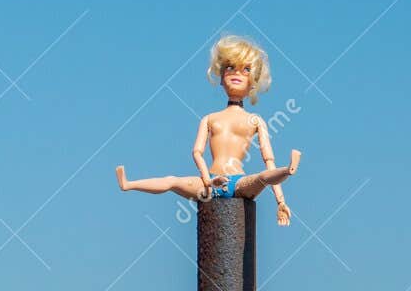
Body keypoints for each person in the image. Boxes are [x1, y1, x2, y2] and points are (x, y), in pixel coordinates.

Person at [116, 35, 300, 225]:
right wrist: (207, 180)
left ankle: (288, 170)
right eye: (230, 67)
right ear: (220, 77)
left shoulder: (255, 120)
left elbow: (269, 162)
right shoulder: (210, 118)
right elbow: (197, 152)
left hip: (238, 183)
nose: (236, 73)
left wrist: (281, 202)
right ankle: (128, 184)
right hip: (209, 183)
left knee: (262, 177)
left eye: (246, 69)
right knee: (172, 181)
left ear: (253, 82)